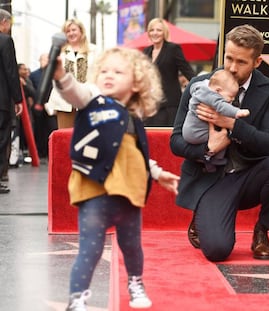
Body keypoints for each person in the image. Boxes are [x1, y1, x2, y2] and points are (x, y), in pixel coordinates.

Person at [52, 47, 179, 310]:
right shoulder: (93, 100)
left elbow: (136, 155)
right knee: (90, 249)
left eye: (118, 72)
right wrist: (61, 76)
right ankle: (77, 299)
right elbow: (75, 91)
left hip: (128, 193)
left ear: (136, 83)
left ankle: (135, 283)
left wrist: (156, 173)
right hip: (95, 191)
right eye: (105, 71)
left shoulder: (133, 119)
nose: (109, 75)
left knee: (132, 247)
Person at [170, 24, 269, 262]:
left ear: (257, 62)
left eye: (241, 62)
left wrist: (232, 124)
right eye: (228, 58)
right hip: (211, 179)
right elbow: (176, 142)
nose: (231, 67)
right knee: (217, 251)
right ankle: (203, 212)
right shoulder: (200, 85)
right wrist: (208, 150)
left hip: (249, 175)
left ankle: (262, 230)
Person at [183, 69, 249, 172]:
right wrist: (237, 112)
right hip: (196, 132)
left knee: (222, 135)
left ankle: (210, 162)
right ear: (218, 91)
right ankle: (216, 159)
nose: (231, 100)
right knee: (226, 136)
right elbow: (221, 106)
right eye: (230, 97)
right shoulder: (210, 95)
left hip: (192, 129)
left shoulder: (202, 89)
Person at [143, 18, 195, 127]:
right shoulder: (146, 51)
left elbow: (188, 71)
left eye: (159, 30)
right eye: (152, 30)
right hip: (151, 104)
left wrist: (201, 86)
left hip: (169, 105)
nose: (155, 33)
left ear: (164, 32)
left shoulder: (173, 49)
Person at [47, 18, 98, 129]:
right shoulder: (59, 51)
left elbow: (97, 73)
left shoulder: (93, 50)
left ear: (81, 31)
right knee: (65, 136)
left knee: (87, 136)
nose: (71, 33)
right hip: (63, 102)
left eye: (74, 30)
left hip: (88, 99)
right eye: (68, 31)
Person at [0, 9, 23, 194]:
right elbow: (10, 71)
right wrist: (18, 99)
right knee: (1, 139)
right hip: (1, 101)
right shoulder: (5, 41)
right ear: (4, 22)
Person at [29, 53, 58, 159]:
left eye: (47, 59)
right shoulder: (34, 75)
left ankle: (51, 151)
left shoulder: (53, 74)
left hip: (51, 105)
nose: (45, 61)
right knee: (39, 129)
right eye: (43, 59)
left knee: (52, 128)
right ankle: (40, 152)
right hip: (38, 106)